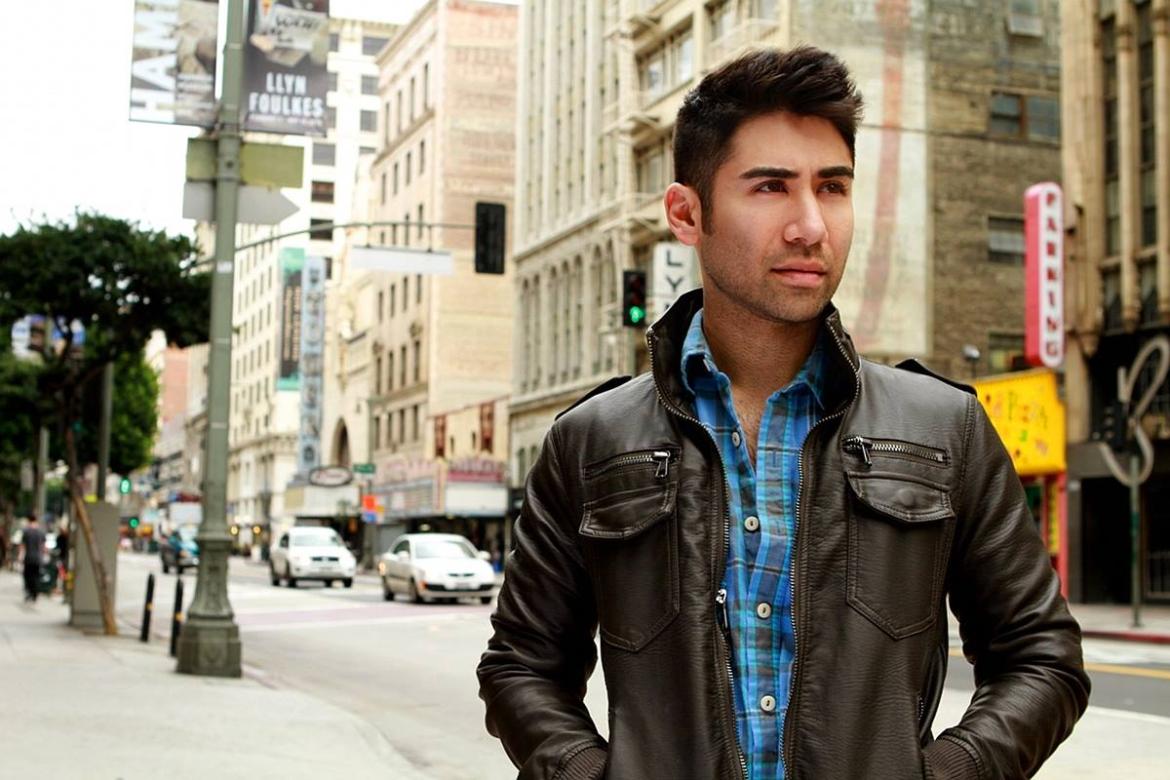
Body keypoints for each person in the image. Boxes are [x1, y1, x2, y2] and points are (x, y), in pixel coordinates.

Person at [478, 46, 1089, 780]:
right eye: (770, 187)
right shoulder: (592, 440)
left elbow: (1043, 658)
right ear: (687, 212)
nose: (810, 225)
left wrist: (947, 774)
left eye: (832, 188)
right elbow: (521, 666)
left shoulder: (943, 427)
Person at [20, 515, 46, 603]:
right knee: (36, 576)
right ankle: (35, 593)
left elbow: (23, 546)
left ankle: (29, 593)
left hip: (28, 557)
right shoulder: (41, 532)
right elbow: (43, 547)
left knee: (28, 576)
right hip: (38, 558)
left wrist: (20, 557)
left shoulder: (26, 531)